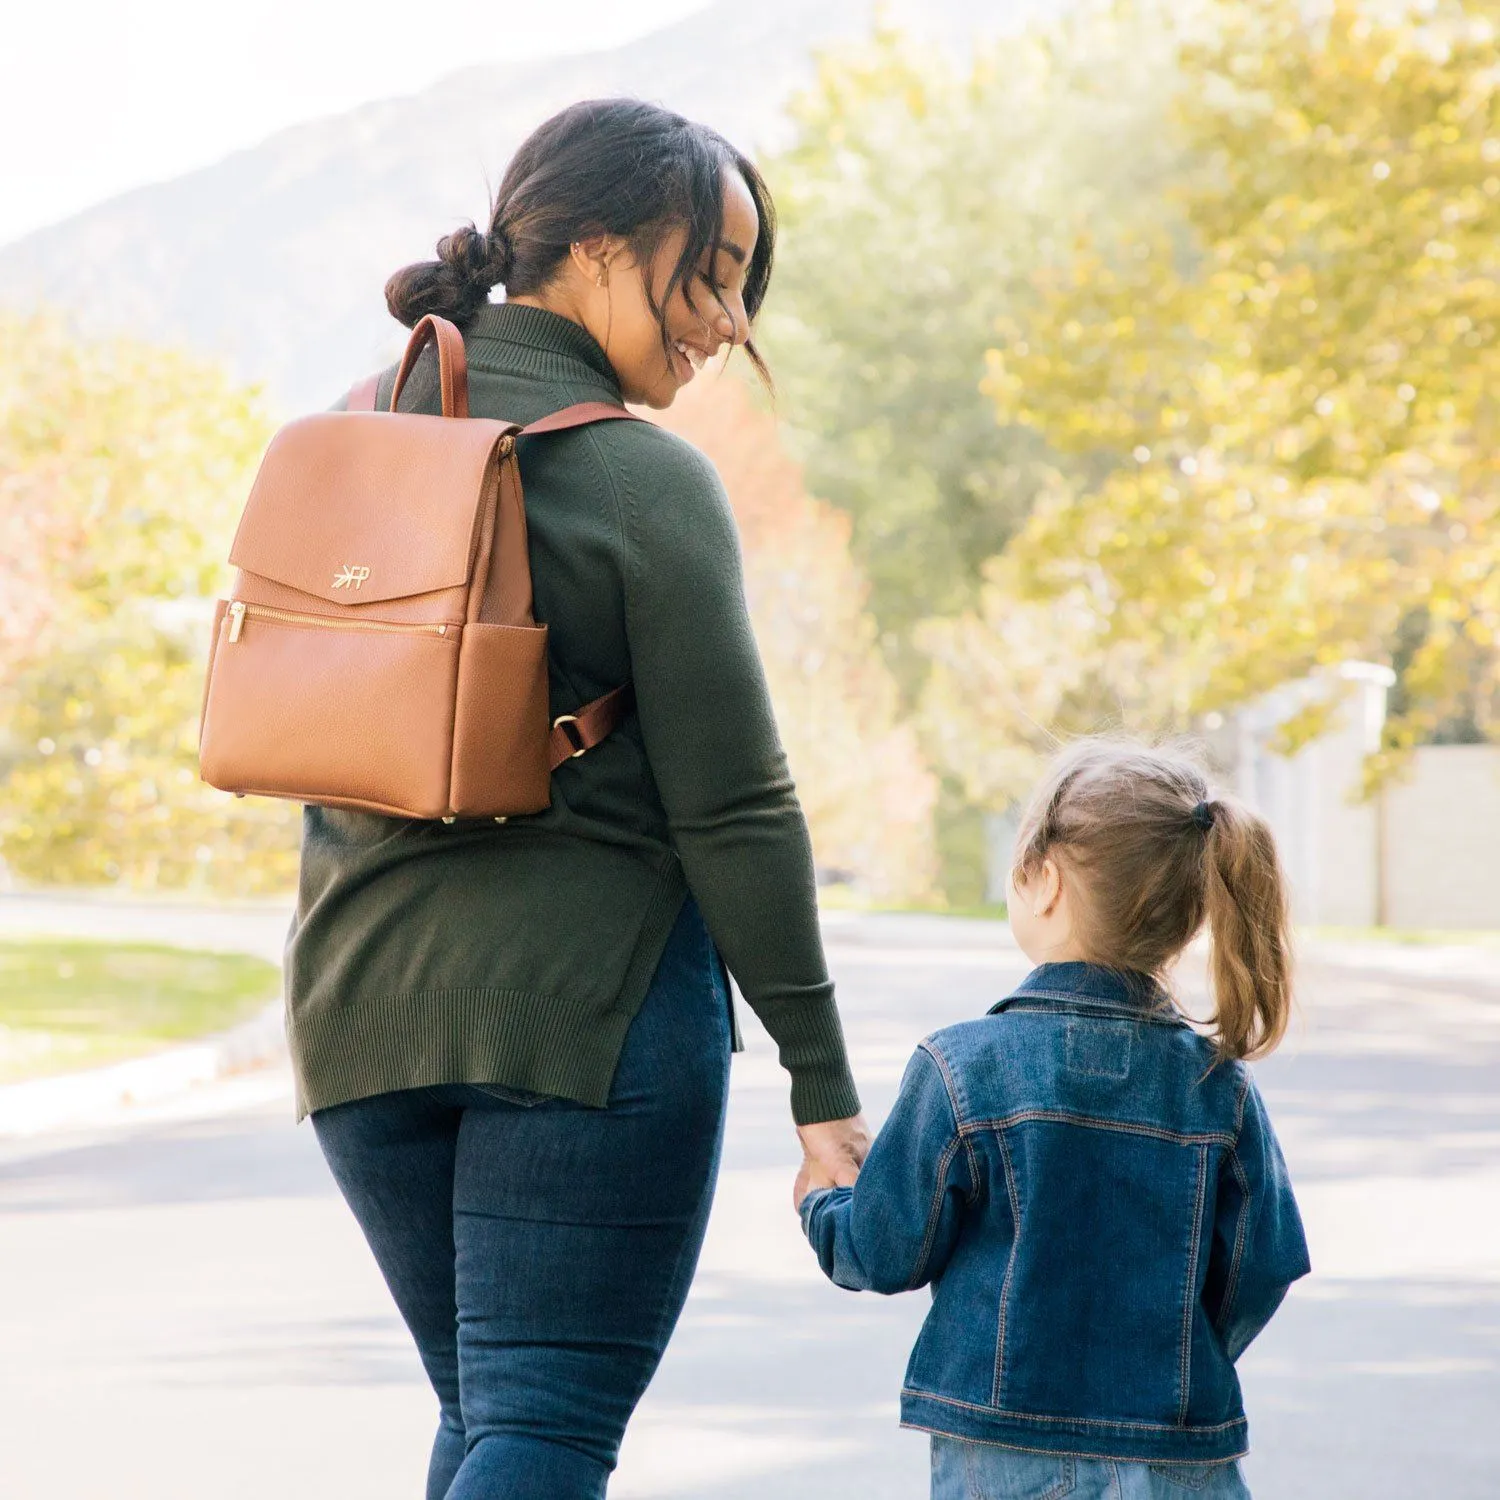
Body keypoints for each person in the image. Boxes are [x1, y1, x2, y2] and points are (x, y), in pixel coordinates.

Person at [293, 98, 870, 1500]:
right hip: (584, 1033)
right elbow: (735, 809)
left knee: (495, 1416)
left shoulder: (340, 438)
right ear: (598, 247)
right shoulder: (637, 479)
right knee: (542, 1429)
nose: (728, 320)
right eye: (712, 271)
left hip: (359, 1025)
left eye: (744, 286)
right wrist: (822, 1084)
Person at [797, 738, 1310, 1499]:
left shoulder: (962, 1067)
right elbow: (1260, 1267)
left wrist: (822, 1203)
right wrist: (1179, 1355)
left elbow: (884, 1250)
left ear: (1043, 881)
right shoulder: (1219, 1089)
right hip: (1177, 1452)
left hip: (1003, 1450)